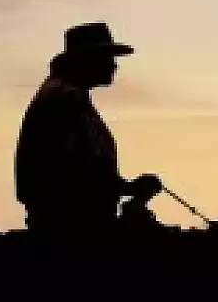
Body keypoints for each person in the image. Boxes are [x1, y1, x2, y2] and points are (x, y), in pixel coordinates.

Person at [14, 22, 163, 254]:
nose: (114, 65)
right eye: (107, 57)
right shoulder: (66, 100)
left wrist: (125, 188)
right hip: (73, 232)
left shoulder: (64, 96)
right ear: (86, 60)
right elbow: (75, 173)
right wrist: (127, 189)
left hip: (70, 225)